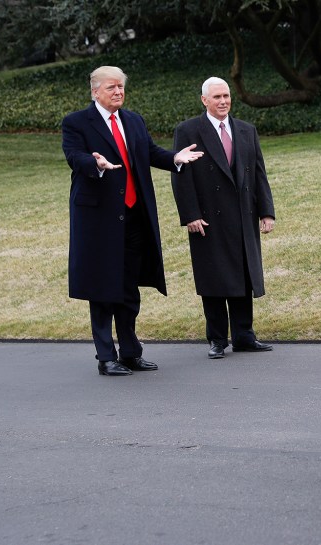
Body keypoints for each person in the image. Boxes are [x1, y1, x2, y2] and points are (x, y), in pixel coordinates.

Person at [62, 66, 204, 376]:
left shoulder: (133, 120)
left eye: (121, 87)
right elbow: (74, 156)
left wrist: (175, 158)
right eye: (111, 87)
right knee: (102, 288)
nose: (118, 92)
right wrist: (95, 163)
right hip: (98, 220)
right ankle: (106, 357)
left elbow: (149, 152)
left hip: (134, 217)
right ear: (95, 92)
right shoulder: (76, 122)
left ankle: (130, 353)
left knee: (129, 287)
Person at [171, 77, 276, 359]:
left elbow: (258, 173)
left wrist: (266, 211)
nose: (223, 101)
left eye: (226, 96)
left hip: (243, 215)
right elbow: (180, 176)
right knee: (214, 279)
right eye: (216, 97)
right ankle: (217, 339)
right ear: (204, 100)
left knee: (243, 276)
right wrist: (190, 214)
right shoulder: (188, 131)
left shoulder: (246, 130)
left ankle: (244, 336)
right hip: (207, 218)